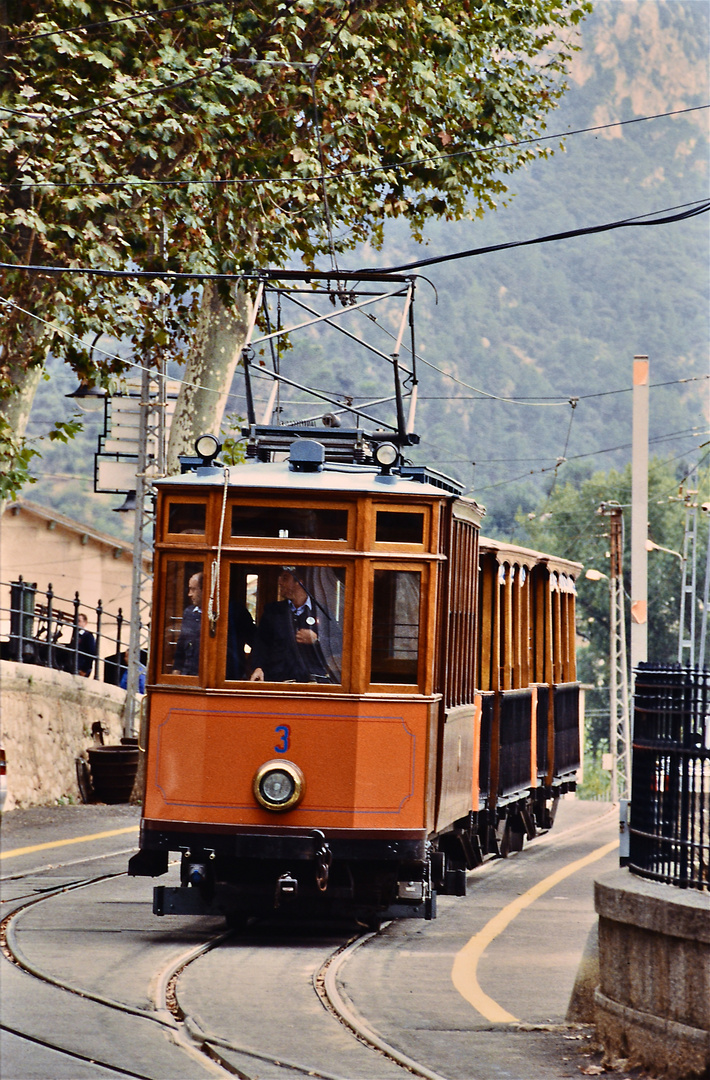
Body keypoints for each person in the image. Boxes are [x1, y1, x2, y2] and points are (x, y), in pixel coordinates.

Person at [250, 568, 333, 683]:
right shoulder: (273, 611)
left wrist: (317, 639)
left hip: (314, 685)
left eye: (285, 578)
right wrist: (258, 667)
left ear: (299, 582)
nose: (279, 582)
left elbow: (339, 643)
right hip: (279, 682)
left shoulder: (322, 612)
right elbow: (260, 644)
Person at [173, 571, 203, 675]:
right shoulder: (189, 612)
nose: (189, 594)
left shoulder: (219, 614)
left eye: (193, 589)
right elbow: (181, 644)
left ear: (205, 589)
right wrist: (177, 669)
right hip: (188, 675)